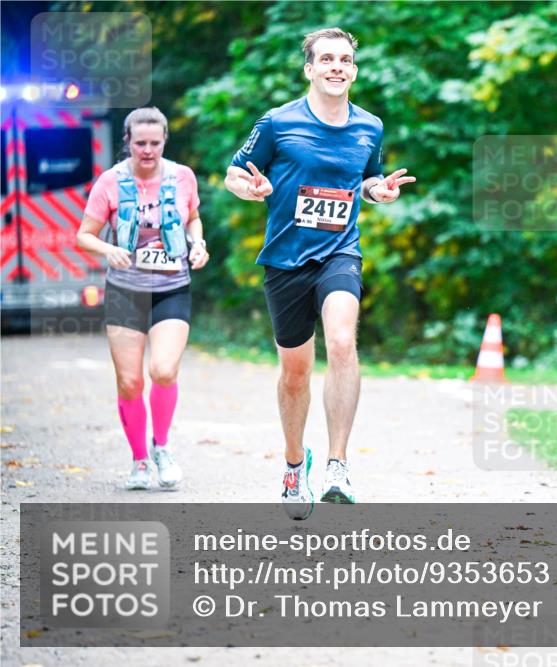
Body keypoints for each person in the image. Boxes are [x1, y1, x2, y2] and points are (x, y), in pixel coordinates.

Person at [225, 27, 414, 518]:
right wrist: (249, 190)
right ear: (309, 68)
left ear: (353, 69)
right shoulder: (277, 122)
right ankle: (294, 466)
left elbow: (367, 178)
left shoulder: (369, 126)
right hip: (286, 259)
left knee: (342, 341)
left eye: (345, 60)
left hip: (339, 252)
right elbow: (235, 171)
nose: (337, 66)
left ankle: (337, 465)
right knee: (296, 372)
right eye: (326, 59)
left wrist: (378, 191)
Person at [77, 107, 209, 491]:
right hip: (125, 291)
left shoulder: (182, 176)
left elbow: (194, 218)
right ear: (128, 143)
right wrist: (108, 249)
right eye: (140, 143)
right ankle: (138, 460)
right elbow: (84, 233)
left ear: (164, 141)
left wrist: (197, 243)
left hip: (171, 286)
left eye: (155, 143)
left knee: (163, 371)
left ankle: (162, 447)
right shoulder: (111, 182)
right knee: (130, 381)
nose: (147, 150)